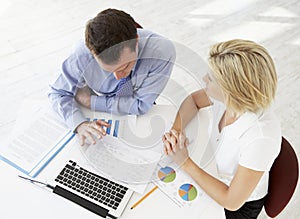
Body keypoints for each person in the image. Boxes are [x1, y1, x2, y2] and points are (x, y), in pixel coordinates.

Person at [163, 39, 281, 218]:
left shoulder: (261, 138)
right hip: (211, 170)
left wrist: (184, 162)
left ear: (230, 90)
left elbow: (232, 201)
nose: (204, 79)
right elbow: (193, 100)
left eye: (210, 79)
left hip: (236, 205)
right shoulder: (229, 100)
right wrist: (176, 130)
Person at [48, 9, 175, 145]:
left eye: (125, 67)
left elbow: (141, 104)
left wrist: (92, 102)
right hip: (101, 111)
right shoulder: (82, 55)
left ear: (136, 41)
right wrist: (79, 124)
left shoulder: (162, 52)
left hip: (137, 111)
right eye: (109, 70)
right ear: (92, 53)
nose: (119, 77)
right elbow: (57, 92)